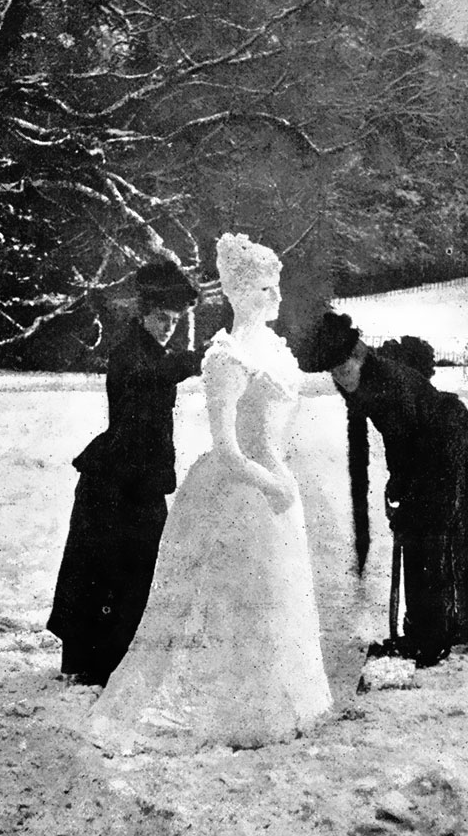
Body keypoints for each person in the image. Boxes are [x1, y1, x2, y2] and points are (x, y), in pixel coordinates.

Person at [90, 233, 332, 751]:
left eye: (276, 288)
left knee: (272, 598)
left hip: (272, 488)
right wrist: (271, 483)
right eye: (265, 289)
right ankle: (225, 712)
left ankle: (278, 705)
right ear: (241, 294)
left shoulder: (273, 349)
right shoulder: (224, 356)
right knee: (216, 600)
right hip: (234, 487)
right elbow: (227, 446)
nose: (276, 299)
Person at [316, 311, 468, 669]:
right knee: (442, 540)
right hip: (454, 455)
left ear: (359, 359)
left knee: (430, 542)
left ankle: (427, 639)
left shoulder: (386, 384)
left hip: (457, 458)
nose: (341, 380)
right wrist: (400, 485)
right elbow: (399, 445)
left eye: (344, 370)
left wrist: (406, 492)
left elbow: (416, 445)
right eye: (335, 374)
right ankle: (450, 628)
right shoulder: (372, 380)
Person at [46, 258, 203, 686]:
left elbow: (163, 369)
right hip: (116, 480)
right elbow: (152, 375)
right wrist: (200, 359)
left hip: (136, 478)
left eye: (173, 320)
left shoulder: (152, 350)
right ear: (144, 314)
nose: (167, 326)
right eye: (160, 318)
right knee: (112, 567)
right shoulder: (131, 353)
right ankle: (100, 661)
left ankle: (113, 656)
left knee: (133, 566)